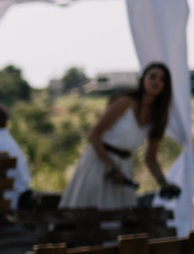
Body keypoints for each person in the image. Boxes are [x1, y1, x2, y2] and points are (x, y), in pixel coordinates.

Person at [60, 63, 176, 211]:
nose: (156, 81)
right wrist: (110, 167)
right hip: (98, 161)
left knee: (118, 220)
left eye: (162, 79)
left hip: (123, 168)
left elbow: (151, 158)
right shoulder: (125, 101)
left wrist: (164, 183)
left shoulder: (158, 117)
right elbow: (94, 134)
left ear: (166, 86)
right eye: (152, 76)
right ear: (143, 79)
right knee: (86, 215)